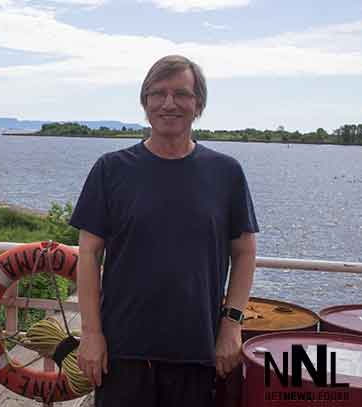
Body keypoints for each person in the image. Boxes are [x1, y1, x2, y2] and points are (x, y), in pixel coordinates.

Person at [69, 55, 259, 407]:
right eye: (158, 94)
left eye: (181, 94)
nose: (169, 103)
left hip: (198, 351)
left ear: (198, 104)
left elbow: (245, 252)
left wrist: (231, 325)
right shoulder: (110, 170)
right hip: (122, 353)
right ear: (145, 103)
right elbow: (89, 255)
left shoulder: (226, 173)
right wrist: (91, 334)